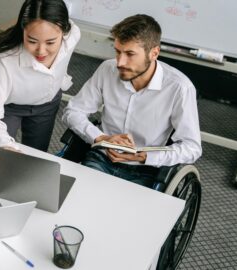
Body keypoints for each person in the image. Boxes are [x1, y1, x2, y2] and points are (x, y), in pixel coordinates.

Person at [62, 14, 202, 188]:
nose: (120, 62)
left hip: (145, 168)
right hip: (102, 156)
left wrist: (143, 156)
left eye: (130, 54)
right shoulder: (107, 69)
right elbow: (73, 111)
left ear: (154, 53)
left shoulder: (180, 88)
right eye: (118, 51)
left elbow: (192, 147)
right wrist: (101, 137)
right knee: (80, 199)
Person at [0, 0, 81, 152]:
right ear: (23, 30)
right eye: (32, 41)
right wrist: (7, 144)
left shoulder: (73, 35)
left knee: (36, 154)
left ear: (64, 33)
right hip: (10, 107)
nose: (41, 51)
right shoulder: (5, 63)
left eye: (50, 42)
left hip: (47, 103)